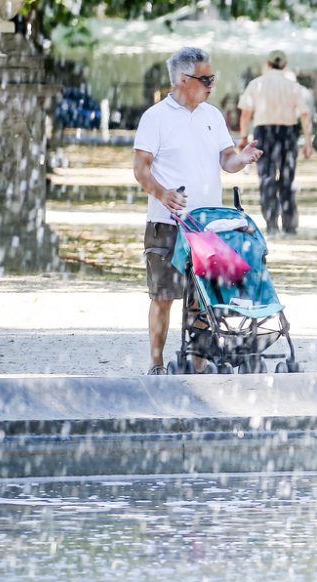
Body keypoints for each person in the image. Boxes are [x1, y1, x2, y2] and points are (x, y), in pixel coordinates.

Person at [133, 47, 263, 376]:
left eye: (212, 78)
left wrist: (242, 158)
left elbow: (226, 160)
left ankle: (198, 365)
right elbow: (140, 169)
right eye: (205, 79)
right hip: (167, 224)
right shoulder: (155, 117)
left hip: (207, 227)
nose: (211, 85)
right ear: (181, 80)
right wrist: (162, 194)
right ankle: (157, 363)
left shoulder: (212, 116)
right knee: (164, 296)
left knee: (202, 298)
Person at [237, 50, 312, 236]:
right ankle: (289, 223)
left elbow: (245, 113)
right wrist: (308, 141)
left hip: (264, 133)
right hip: (287, 133)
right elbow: (304, 114)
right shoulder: (293, 86)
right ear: (285, 65)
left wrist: (244, 136)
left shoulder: (256, 84)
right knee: (287, 178)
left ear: (268, 63)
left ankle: (271, 222)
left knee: (266, 178)